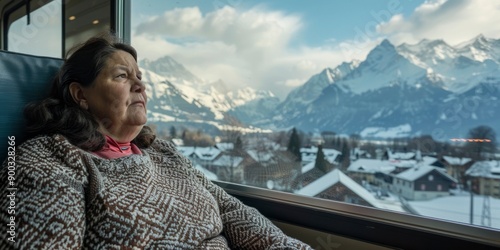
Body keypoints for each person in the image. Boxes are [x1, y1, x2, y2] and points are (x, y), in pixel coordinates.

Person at [0, 33, 312, 249]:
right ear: (81, 95)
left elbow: (230, 209)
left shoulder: (162, 151)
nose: (140, 85)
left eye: (140, 76)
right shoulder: (46, 159)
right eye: (123, 76)